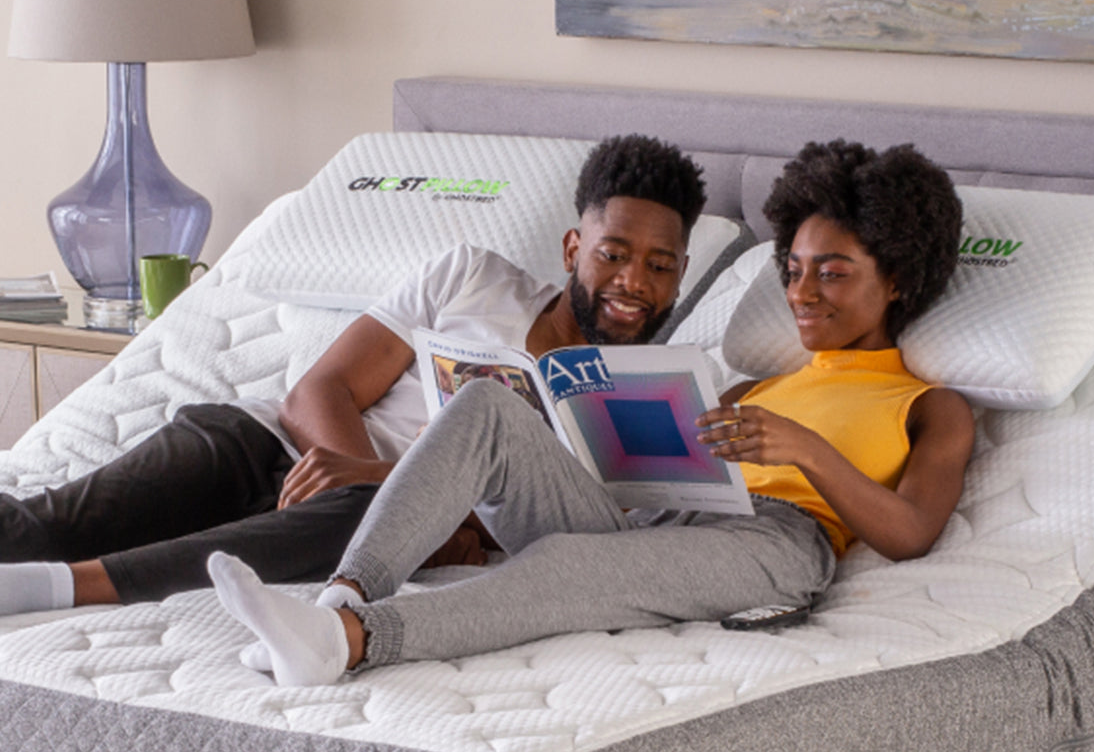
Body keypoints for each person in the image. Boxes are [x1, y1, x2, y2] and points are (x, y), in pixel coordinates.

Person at [208, 139, 977, 687]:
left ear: (899, 279)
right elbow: (657, 485)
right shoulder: (749, 388)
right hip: (663, 523)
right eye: (796, 271)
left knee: (569, 566)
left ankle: (350, 643)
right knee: (486, 407)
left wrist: (806, 450)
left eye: (833, 274)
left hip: (778, 543)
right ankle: (344, 595)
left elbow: (910, 534)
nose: (803, 294)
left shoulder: (930, 405)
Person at [0, 134, 706, 616]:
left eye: (660, 265)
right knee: (37, 526)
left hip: (361, 516)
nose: (633, 282)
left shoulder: (641, 402)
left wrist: (381, 489)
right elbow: (320, 390)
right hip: (259, 444)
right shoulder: (471, 277)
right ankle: (42, 564)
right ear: (573, 247)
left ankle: (62, 591)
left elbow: (545, 532)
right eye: (614, 254)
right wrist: (351, 463)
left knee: (372, 519)